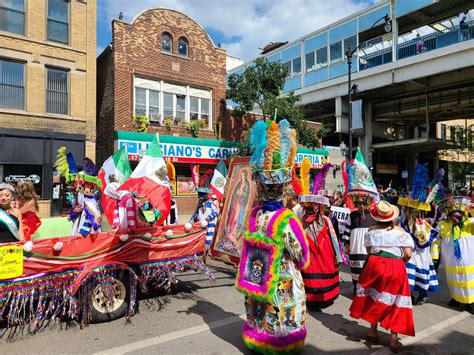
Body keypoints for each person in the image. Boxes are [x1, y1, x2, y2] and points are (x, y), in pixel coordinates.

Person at [236, 119, 309, 353]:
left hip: (258, 275)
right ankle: (279, 345)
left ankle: (259, 340)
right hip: (281, 273)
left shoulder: (255, 213)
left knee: (260, 309)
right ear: (283, 188)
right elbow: (300, 252)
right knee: (282, 309)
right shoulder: (285, 218)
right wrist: (301, 262)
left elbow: (246, 240)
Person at [349, 201, 415, 352]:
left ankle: (373, 332)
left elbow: (368, 250)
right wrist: (399, 263)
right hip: (395, 266)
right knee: (396, 299)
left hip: (375, 263)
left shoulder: (371, 230)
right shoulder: (401, 232)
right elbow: (408, 254)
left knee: (374, 296)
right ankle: (393, 339)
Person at [296, 162, 342, 310]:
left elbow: (334, 239)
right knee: (309, 274)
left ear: (318, 208)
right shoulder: (301, 221)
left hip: (324, 254)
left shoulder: (326, 221)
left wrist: (339, 255)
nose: (310, 210)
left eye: (313, 207)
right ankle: (310, 300)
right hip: (309, 253)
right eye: (307, 208)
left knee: (322, 272)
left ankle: (323, 299)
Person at [434, 197, 474, 314]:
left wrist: (471, 209)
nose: (456, 216)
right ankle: (455, 298)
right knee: (453, 280)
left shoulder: (470, 223)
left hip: (468, 260)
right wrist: (435, 257)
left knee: (468, 280)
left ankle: (469, 302)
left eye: (459, 213)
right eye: (453, 213)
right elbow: (436, 240)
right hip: (450, 260)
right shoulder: (442, 224)